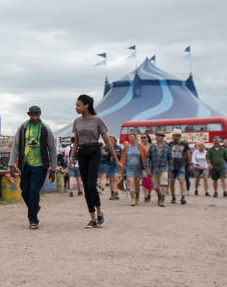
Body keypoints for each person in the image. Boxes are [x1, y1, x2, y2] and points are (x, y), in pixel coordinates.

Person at [69, 95, 120, 228]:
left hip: (94, 152)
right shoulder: (77, 121)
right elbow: (76, 142)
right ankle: (92, 218)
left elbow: (107, 140)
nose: (76, 108)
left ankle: (99, 212)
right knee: (86, 187)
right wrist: (71, 158)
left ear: (87, 105)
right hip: (82, 153)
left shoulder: (97, 120)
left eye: (78, 105)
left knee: (91, 185)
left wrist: (116, 159)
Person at [8, 105, 58, 229]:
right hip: (25, 165)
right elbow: (15, 146)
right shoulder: (23, 127)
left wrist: (53, 168)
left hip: (40, 166)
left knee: (34, 191)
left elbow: (52, 149)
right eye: (32, 115)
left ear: (40, 115)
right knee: (25, 191)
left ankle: (33, 220)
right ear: (28, 114)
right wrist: (11, 164)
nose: (35, 117)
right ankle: (35, 207)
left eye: (37, 115)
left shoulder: (45, 128)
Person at [146, 131, 173, 206]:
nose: (158, 137)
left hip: (164, 167)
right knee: (156, 186)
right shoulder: (152, 147)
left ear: (163, 137)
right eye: (157, 136)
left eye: (160, 136)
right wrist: (147, 168)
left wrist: (170, 169)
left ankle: (162, 200)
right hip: (154, 168)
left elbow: (170, 159)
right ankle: (159, 195)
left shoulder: (167, 148)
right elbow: (148, 158)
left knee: (164, 184)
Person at [119, 133, 146, 205]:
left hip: (138, 168)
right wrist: (122, 169)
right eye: (130, 137)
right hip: (129, 168)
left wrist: (145, 169)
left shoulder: (140, 147)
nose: (131, 139)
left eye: (133, 137)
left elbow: (144, 157)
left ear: (136, 138)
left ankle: (137, 197)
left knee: (137, 184)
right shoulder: (126, 148)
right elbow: (123, 158)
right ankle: (133, 199)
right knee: (131, 183)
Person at [168, 131, 191, 204]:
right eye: (173, 135)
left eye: (175, 135)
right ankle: (173, 196)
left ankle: (183, 197)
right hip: (172, 165)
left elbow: (188, 154)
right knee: (172, 182)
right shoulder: (170, 144)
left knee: (181, 181)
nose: (174, 137)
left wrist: (190, 164)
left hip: (181, 165)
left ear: (179, 136)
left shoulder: (184, 144)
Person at [139, 133, 154, 202]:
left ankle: (149, 194)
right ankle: (145, 196)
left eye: (144, 137)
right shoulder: (139, 146)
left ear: (148, 138)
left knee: (149, 181)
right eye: (141, 137)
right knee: (144, 181)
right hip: (142, 166)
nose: (143, 139)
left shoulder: (152, 146)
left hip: (150, 165)